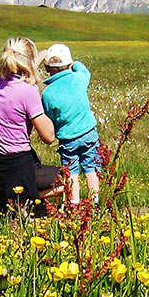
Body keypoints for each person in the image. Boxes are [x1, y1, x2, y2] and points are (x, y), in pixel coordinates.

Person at [0, 37, 61, 219]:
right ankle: (28, 201)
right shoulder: (28, 91)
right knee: (67, 178)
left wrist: (38, 58)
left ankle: (5, 201)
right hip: (18, 167)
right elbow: (48, 137)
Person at [40, 43, 101, 205]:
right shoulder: (79, 78)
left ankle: (74, 203)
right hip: (89, 133)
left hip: (67, 139)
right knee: (91, 167)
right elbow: (84, 71)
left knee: (71, 172)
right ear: (69, 64)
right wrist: (76, 64)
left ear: (47, 68)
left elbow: (49, 118)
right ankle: (94, 202)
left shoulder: (48, 94)